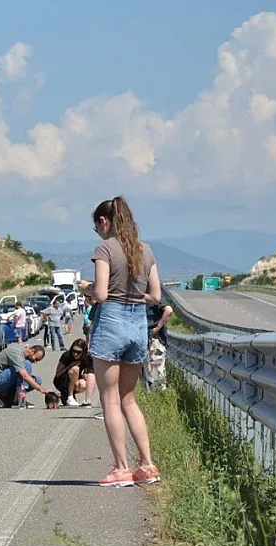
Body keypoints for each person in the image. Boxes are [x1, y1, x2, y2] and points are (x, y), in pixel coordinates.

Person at [78, 196, 162, 488]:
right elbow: (156, 296)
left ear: (104, 222)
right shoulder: (145, 250)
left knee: (110, 398)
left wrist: (86, 288)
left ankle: (121, 468)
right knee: (130, 399)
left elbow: (100, 293)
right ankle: (147, 465)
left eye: (96, 226)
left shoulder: (105, 248)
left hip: (111, 321)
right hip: (138, 321)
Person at [0, 342, 47, 408]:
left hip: (5, 379)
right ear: (32, 351)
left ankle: (6, 396)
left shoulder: (23, 354)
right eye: (36, 359)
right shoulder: (17, 353)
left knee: (37, 380)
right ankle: (19, 398)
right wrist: (42, 389)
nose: (35, 362)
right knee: (27, 364)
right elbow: (25, 376)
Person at [54, 338, 94, 407]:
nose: (75, 354)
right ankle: (69, 397)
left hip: (74, 381)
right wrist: (70, 366)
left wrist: (85, 374)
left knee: (83, 384)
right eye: (73, 351)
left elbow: (90, 372)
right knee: (75, 368)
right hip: (62, 380)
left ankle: (67, 395)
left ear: (84, 352)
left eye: (78, 352)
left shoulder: (87, 358)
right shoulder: (66, 355)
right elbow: (58, 374)